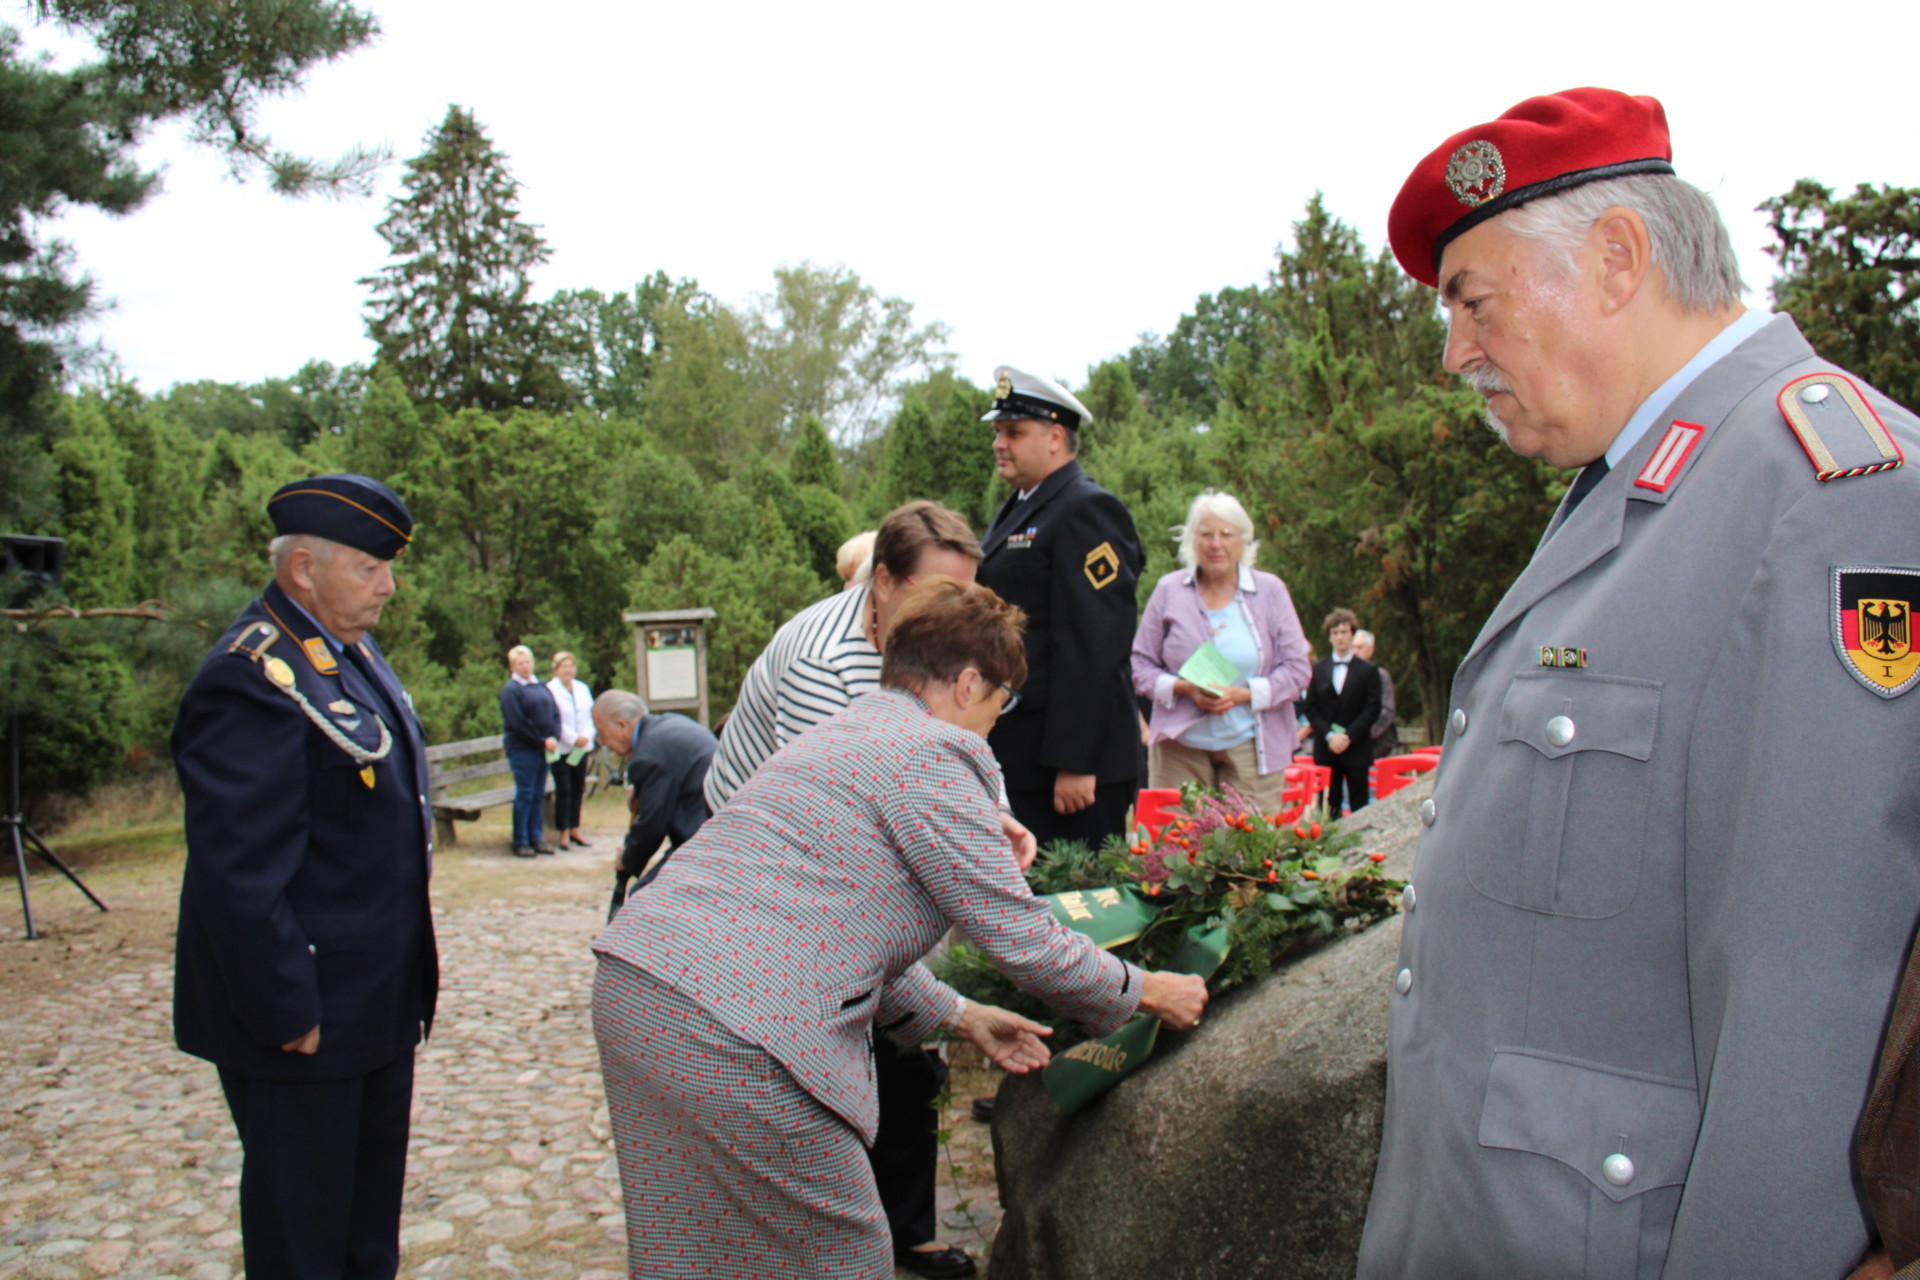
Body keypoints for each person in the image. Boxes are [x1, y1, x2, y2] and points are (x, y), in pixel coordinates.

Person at [1357, 87, 1920, 1280]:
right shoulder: (1649, 484)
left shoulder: (1831, 492)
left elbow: (1812, 996)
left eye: (1472, 299)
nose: (1455, 349)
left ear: (1617, 258)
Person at [591, 578, 1208, 1280]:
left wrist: (963, 1014)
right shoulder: (937, 756)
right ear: (971, 683)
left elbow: (821, 925)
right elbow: (1028, 942)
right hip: (740, 1034)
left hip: (638, 988)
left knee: (690, 1248)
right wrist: (1151, 990)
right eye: (1003, 702)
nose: (998, 721)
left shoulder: (840, 735)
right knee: (843, 1255)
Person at [701, 500, 1001, 1279]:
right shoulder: (823, 660)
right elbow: (837, 817)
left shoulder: (925, 645)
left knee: (904, 1043)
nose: (959, 612)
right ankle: (826, 1228)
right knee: (841, 1041)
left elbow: (943, 750)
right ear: (886, 583)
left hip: (840, 866)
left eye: (970, 594)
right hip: (766, 881)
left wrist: (992, 817)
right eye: (943, 593)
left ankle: (904, 1227)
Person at [172, 474, 438, 1280]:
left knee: (364, 1236)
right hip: (308, 1015)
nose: (388, 585)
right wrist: (284, 1010)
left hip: (375, 1004)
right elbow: (238, 871)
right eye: (369, 567)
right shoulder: (250, 676)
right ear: (302, 570)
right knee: (303, 1241)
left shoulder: (345, 651)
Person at [977, 365, 1144, 851]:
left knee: (1080, 909)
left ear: (1055, 437)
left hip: (1069, 768)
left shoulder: (1085, 509)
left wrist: (1076, 761)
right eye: (997, 432)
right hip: (1027, 753)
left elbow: (1094, 642)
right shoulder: (1023, 505)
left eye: (1013, 432)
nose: (999, 443)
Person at [1130, 489, 1311, 813]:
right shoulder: (1169, 590)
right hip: (1179, 748)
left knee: (1247, 854)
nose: (1216, 544)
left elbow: (1298, 668)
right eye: (1206, 534)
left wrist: (1243, 694)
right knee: (1175, 853)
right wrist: (1185, 688)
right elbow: (1140, 664)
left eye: (1227, 534)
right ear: (1191, 540)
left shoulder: (1270, 591)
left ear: (1244, 541)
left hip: (1254, 745)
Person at [591, 689, 716, 887]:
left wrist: (628, 861)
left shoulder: (648, 756)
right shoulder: (666, 726)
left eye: (601, 732)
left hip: (707, 840)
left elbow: (652, 827)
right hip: (713, 827)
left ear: (622, 725)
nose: (601, 742)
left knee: (644, 899)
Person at [1299, 608, 1382, 814]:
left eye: (1344, 632)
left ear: (1352, 634)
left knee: (1360, 807)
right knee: (1328, 808)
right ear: (1329, 637)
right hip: (1326, 748)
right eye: (1335, 633)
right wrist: (1329, 735)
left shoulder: (1368, 670)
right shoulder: (1318, 669)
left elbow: (1372, 708)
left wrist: (1347, 736)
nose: (1340, 637)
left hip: (1356, 747)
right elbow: (1310, 707)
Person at [499, 643, 559, 858]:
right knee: (525, 794)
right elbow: (517, 723)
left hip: (544, 748)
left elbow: (554, 712)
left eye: (527, 662)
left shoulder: (540, 685)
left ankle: (537, 837)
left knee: (538, 793)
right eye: (520, 663)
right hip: (523, 749)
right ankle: (521, 840)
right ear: (512, 666)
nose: (525, 666)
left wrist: (554, 736)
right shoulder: (511, 690)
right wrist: (541, 740)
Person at [547, 651, 595, 849]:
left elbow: (591, 714)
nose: (568, 670)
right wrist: (574, 738)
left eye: (571, 666)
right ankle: (563, 831)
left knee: (578, 788)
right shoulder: (550, 690)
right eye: (564, 666)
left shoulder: (582, 688)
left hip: (582, 747)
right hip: (563, 747)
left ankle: (575, 827)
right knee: (564, 789)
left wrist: (585, 736)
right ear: (556, 669)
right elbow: (553, 719)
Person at [1351, 629, 1399, 758]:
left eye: (1360, 647)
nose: (1355, 652)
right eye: (1353, 647)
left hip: (1377, 746)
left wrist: (1362, 735)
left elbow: (1387, 711)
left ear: (1370, 650)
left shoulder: (1380, 676)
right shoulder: (1344, 678)